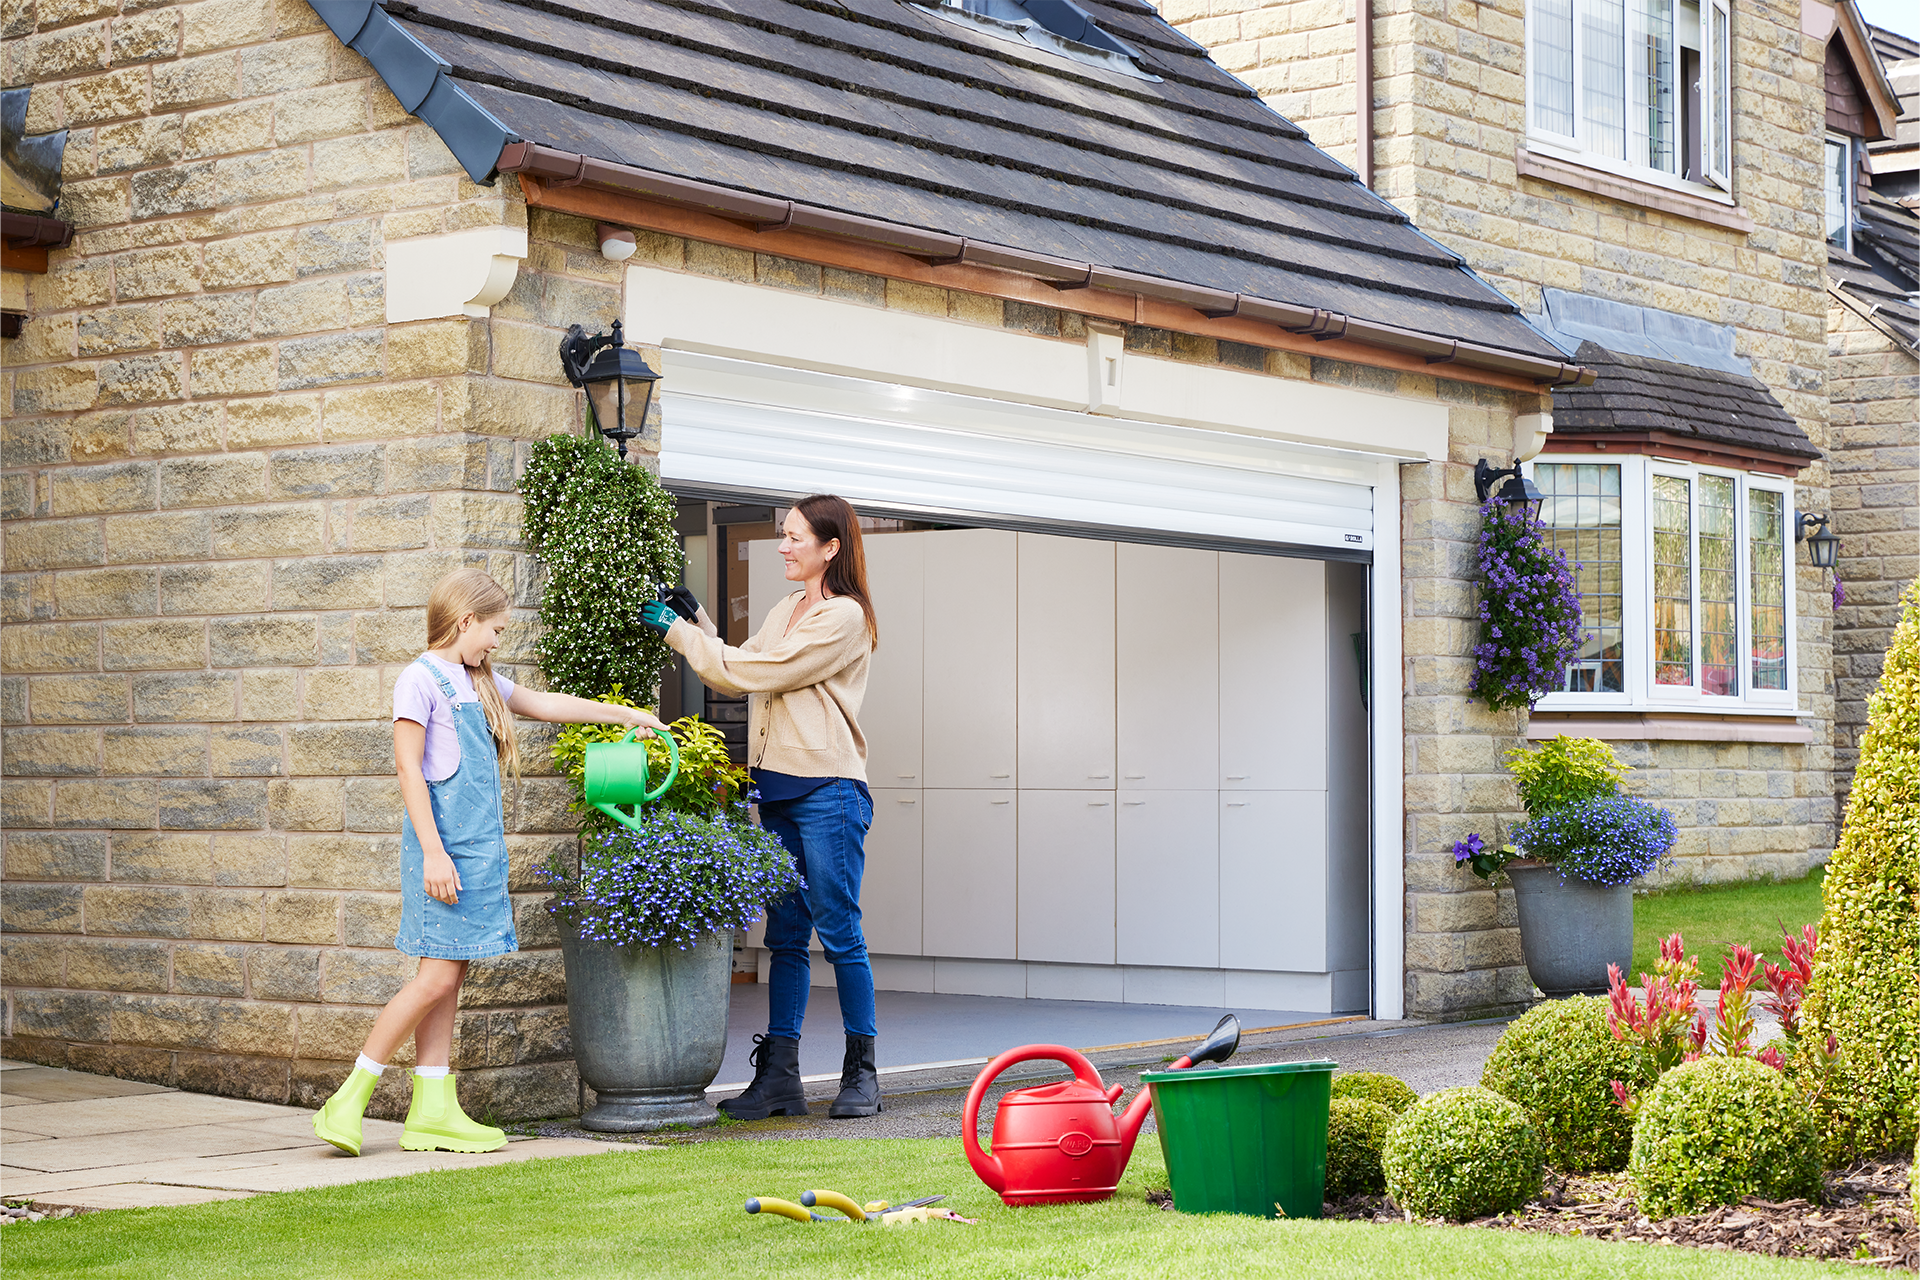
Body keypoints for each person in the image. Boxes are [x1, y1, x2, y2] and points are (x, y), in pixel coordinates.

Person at [313, 568, 665, 1156]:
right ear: (465, 620)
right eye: (494, 631)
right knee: (434, 979)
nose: (497, 643)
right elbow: (408, 770)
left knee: (451, 978)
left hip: (474, 855)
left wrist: (624, 715)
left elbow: (545, 704)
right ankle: (348, 1097)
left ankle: (433, 1108)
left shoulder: (479, 682)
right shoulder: (419, 681)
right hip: (442, 853)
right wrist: (431, 852)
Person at [640, 494, 881, 1119]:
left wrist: (681, 635)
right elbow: (738, 668)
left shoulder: (845, 617)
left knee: (839, 930)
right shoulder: (783, 609)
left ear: (830, 547)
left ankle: (863, 1073)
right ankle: (780, 1078)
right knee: (786, 936)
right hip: (776, 786)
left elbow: (763, 671)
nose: (783, 545)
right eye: (783, 534)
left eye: (795, 536)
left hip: (828, 789)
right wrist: (701, 634)